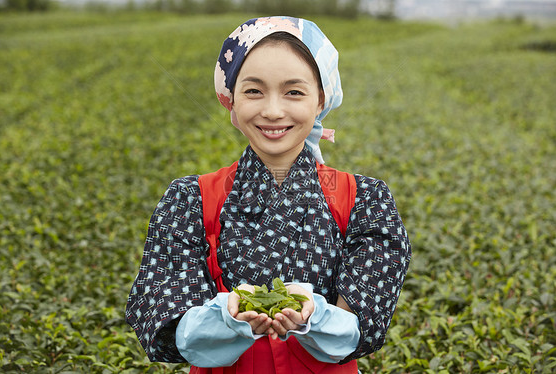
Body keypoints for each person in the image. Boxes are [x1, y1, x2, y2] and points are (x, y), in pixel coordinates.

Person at [126, 16, 412, 373]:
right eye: (253, 91)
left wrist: (313, 314)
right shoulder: (189, 200)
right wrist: (227, 318)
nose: (273, 111)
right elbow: (178, 330)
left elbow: (355, 331)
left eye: (294, 91)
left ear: (321, 100)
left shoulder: (365, 201)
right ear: (230, 102)